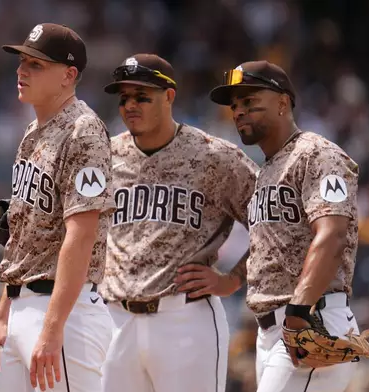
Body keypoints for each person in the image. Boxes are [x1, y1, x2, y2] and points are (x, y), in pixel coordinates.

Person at [99, 54, 258, 392]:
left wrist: (231, 280)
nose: (130, 105)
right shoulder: (105, 155)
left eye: (142, 96)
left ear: (169, 96)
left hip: (184, 319)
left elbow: (276, 226)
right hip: (113, 319)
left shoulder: (213, 156)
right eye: (124, 97)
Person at [208, 60, 369, 391]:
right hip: (273, 330)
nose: (239, 111)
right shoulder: (268, 168)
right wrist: (231, 281)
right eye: (235, 105)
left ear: (283, 102)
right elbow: (271, 248)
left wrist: (298, 312)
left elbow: (333, 235)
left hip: (311, 318)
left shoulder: (317, 154)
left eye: (250, 101)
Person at [0, 23, 115, 392]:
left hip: (63, 313)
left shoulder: (83, 131)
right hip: (22, 303)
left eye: (37, 65)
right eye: (22, 61)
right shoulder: (31, 133)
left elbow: (82, 233)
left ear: (69, 75)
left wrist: (53, 327)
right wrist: (4, 309)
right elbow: (23, 237)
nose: (22, 70)